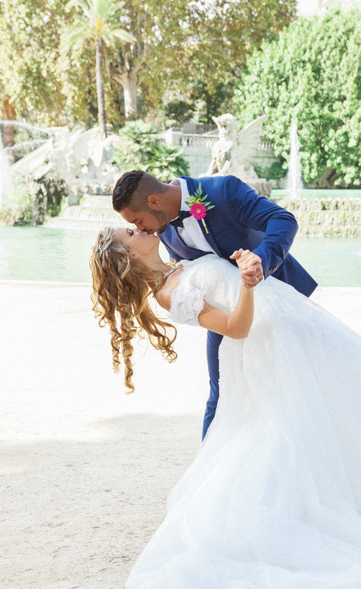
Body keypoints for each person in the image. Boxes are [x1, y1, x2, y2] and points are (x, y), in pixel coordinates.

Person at [89, 225, 361, 589]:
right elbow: (237, 327)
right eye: (130, 232)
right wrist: (247, 283)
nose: (139, 228)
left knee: (358, 401)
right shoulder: (168, 294)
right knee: (287, 433)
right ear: (128, 256)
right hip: (268, 347)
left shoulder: (181, 260)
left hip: (293, 326)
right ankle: (296, 517)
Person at [112, 170, 316, 439]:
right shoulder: (161, 230)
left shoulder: (223, 191)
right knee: (220, 392)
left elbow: (282, 220)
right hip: (227, 318)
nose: (141, 229)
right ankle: (209, 468)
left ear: (153, 201)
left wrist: (260, 262)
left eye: (138, 221)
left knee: (297, 382)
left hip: (278, 300)